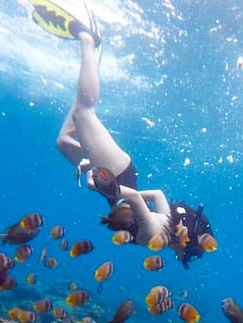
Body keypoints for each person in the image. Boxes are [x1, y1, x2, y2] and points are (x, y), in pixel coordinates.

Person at [30, 0, 215, 268]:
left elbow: (159, 195)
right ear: (182, 247)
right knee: (84, 113)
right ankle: (87, 38)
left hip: (121, 179)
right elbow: (137, 198)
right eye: (181, 255)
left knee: (65, 141)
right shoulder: (154, 236)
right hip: (117, 176)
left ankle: (90, 66)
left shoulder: (167, 225)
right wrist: (113, 188)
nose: (176, 256)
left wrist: (116, 191)